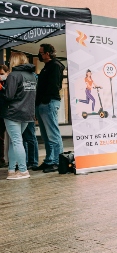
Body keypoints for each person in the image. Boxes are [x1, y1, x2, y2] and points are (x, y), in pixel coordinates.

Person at [1, 52, 37, 180]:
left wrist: (2, 89)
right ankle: (11, 170)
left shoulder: (14, 75)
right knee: (14, 141)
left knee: (16, 141)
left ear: (14, 61)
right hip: (27, 113)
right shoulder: (32, 76)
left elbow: (8, 96)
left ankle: (23, 171)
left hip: (13, 113)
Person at [34, 43, 65, 173]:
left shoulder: (55, 66)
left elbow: (54, 86)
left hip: (49, 103)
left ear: (47, 53)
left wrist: (45, 100)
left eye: (41, 53)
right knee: (46, 135)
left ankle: (58, 162)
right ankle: (49, 160)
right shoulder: (47, 67)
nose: (39, 55)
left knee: (53, 134)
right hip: (43, 103)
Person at [0, 64, 9, 168]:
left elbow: (9, 94)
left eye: (2, 74)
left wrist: (2, 88)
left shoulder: (8, 82)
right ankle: (1, 159)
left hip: (7, 112)